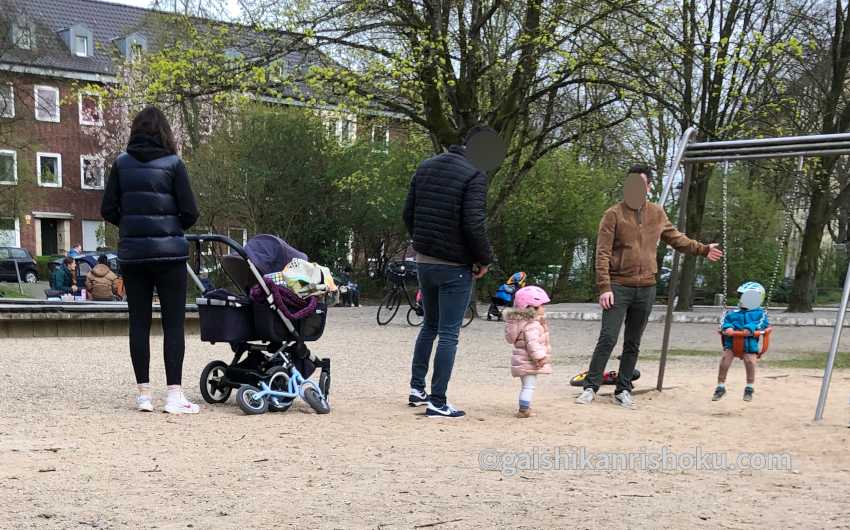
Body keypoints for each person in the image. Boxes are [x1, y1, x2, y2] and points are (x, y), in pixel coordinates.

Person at [576, 164, 724, 408]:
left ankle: (623, 389)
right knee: (608, 337)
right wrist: (605, 287)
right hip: (618, 286)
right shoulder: (613, 214)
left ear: (648, 187)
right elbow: (602, 253)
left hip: (646, 287)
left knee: (633, 342)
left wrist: (703, 249)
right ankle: (590, 386)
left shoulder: (657, 213)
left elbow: (677, 239)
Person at [101, 106, 200, 414]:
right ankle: (173, 396)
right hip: (170, 255)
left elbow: (108, 209)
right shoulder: (174, 164)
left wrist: (132, 227)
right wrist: (170, 228)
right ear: (165, 132)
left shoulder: (121, 164)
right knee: (173, 324)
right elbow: (190, 211)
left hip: (134, 255)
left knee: (139, 323)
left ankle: (143, 394)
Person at [403, 125, 495, 418]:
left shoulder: (427, 166)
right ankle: (438, 400)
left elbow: (408, 212)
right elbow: (473, 223)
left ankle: (417, 389)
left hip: (424, 260)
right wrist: (484, 259)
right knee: (448, 333)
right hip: (454, 266)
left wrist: (422, 242)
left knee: (429, 326)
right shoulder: (475, 174)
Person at [712, 282, 769, 402]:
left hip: (749, 344)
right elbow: (725, 321)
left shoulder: (760, 313)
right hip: (731, 344)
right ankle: (720, 386)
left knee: (750, 361)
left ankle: (749, 387)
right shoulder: (733, 313)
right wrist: (727, 327)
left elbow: (762, 323)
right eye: (741, 296)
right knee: (724, 361)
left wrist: (750, 328)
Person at [505, 286, 553, 418]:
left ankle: (525, 407)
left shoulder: (520, 322)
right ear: (532, 308)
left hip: (521, 360)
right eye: (542, 305)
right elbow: (533, 344)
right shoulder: (532, 325)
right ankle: (524, 410)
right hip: (528, 361)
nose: (544, 308)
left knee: (526, 384)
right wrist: (540, 357)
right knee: (529, 386)